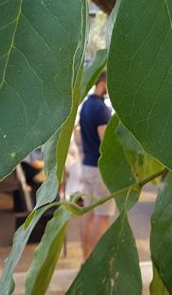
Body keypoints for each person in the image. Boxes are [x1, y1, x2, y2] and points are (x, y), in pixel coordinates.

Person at [78, 70, 114, 258]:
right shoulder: (101, 109)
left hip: (86, 165)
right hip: (100, 169)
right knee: (103, 217)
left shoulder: (86, 106)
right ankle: (98, 263)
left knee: (88, 214)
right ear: (102, 84)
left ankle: (85, 259)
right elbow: (105, 143)